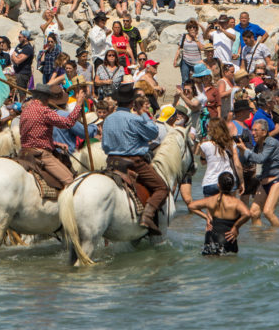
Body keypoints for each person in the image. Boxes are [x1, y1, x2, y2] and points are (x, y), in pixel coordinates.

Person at [101, 86, 169, 233]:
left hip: (112, 162)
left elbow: (105, 145)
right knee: (162, 188)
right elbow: (153, 133)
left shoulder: (108, 119)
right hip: (134, 163)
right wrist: (144, 114)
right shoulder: (134, 119)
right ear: (132, 103)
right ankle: (148, 215)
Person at [18, 83, 87, 189]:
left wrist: (55, 144)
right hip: (41, 154)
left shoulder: (25, 111)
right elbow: (68, 123)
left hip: (25, 152)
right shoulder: (44, 111)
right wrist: (78, 105)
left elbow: (32, 136)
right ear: (47, 98)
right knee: (70, 181)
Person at [187, 171, 250, 255]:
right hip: (227, 238)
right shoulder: (236, 203)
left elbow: (191, 206)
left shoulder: (211, 200)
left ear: (218, 185)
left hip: (210, 237)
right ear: (232, 186)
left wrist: (207, 217)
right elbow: (247, 214)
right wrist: (236, 227)